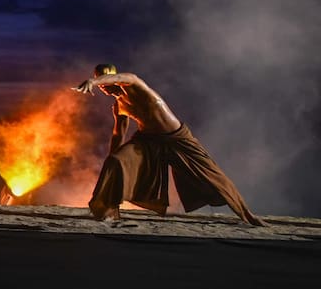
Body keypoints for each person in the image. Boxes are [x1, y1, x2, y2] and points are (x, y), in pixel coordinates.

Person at [73, 63, 265, 226]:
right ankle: (107, 212)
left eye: (104, 81)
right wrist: (113, 160)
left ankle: (247, 214)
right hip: (148, 140)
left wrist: (92, 81)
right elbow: (118, 134)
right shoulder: (119, 106)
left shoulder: (134, 84)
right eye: (99, 83)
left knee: (213, 176)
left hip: (176, 137)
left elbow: (123, 77)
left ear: (112, 78)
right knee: (115, 161)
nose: (103, 87)